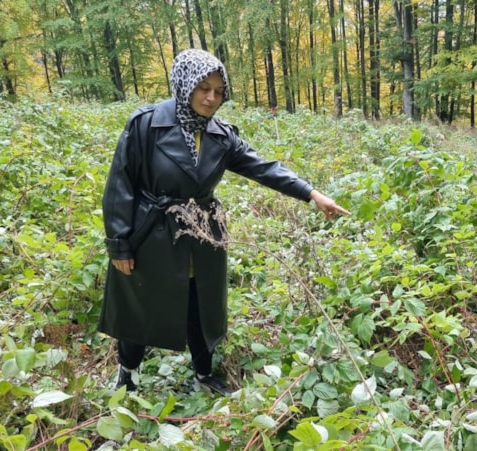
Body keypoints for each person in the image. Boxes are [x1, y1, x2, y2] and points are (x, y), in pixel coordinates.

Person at [98, 48, 350, 395]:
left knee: (202, 305)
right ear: (185, 85)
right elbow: (120, 185)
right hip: (150, 234)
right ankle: (128, 375)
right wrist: (119, 244)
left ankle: (203, 374)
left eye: (218, 91)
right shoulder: (145, 125)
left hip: (203, 234)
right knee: (140, 304)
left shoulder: (221, 134)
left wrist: (311, 193)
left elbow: (263, 168)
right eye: (203, 88)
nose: (211, 98)